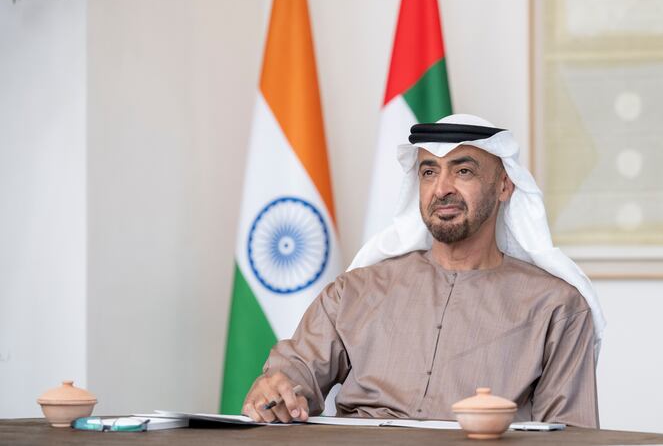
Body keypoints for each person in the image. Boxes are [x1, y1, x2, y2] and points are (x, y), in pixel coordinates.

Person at [242, 114, 606, 428]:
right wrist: (277, 386)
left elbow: (570, 436)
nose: (441, 188)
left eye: (463, 171)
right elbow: (298, 370)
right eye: (429, 172)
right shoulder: (355, 290)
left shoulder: (557, 307)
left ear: (504, 186)